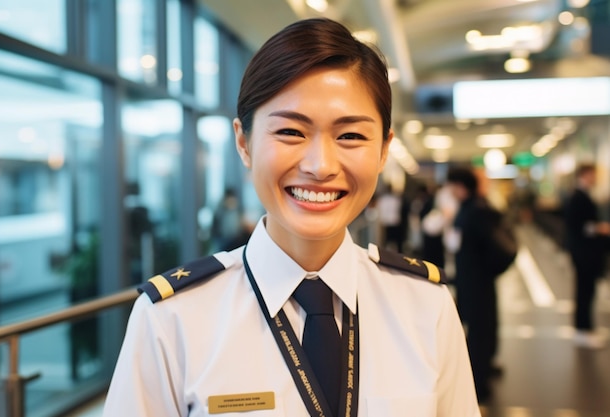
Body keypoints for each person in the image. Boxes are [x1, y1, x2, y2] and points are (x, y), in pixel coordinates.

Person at [103, 18, 481, 417]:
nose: (320, 166)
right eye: (290, 132)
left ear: (384, 150)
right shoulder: (171, 319)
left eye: (350, 136)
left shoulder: (426, 306)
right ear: (244, 142)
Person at [445, 166, 504, 403]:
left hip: (474, 279)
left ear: (460, 186)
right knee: (484, 325)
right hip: (477, 278)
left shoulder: (473, 211)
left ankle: (479, 382)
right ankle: (485, 369)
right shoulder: (477, 207)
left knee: (478, 330)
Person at [563, 163, 610, 349]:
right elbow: (579, 226)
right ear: (585, 174)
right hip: (584, 253)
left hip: (585, 252)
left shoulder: (582, 195)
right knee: (584, 291)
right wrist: (601, 228)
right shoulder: (578, 197)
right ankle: (583, 329)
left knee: (586, 291)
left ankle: (585, 328)